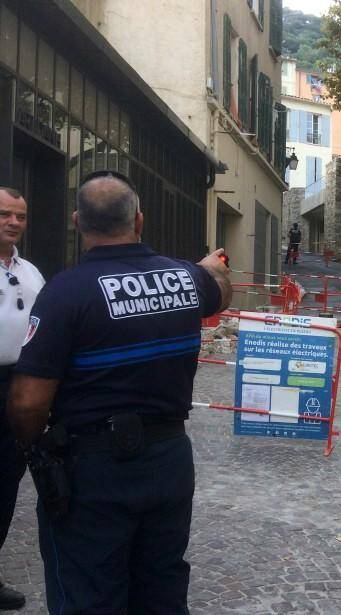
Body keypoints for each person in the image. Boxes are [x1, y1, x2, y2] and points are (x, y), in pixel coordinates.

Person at [7, 171, 232, 614]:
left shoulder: (65, 292)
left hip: (94, 469)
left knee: (89, 591)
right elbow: (220, 291)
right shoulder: (184, 278)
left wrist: (31, 447)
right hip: (169, 460)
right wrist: (207, 268)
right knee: (161, 587)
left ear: (77, 222)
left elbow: (28, 401)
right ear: (140, 221)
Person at [0, 187, 44, 610]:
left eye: (20, 216)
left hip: (18, 385)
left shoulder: (31, 273)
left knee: (6, 480)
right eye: (4, 215)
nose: (13, 222)